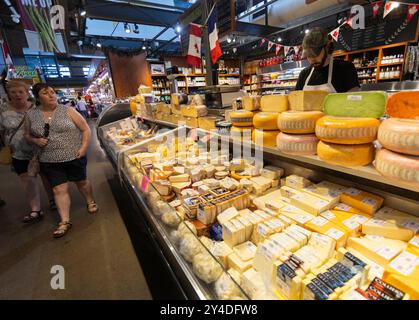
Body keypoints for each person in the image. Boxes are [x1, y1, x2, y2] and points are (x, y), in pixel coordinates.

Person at [25, 83, 98, 238]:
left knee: (81, 182)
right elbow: (26, 135)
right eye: (46, 93)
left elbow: (86, 129)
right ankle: (65, 221)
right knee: (59, 189)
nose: (51, 95)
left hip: (74, 156)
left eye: (52, 92)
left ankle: (90, 200)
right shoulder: (31, 115)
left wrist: (84, 148)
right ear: (37, 97)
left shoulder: (68, 110)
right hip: (49, 159)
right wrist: (35, 141)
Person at [0, 80, 56, 222]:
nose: (18, 95)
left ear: (27, 93)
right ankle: (35, 209)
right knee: (27, 180)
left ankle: (53, 200)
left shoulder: (37, 108)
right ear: (8, 94)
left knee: (47, 177)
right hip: (18, 153)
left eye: (21, 92)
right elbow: (2, 132)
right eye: (13, 92)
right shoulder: (3, 111)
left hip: (40, 149)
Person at [295, 27, 360, 93]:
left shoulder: (345, 68)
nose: (312, 59)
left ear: (327, 47)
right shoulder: (304, 74)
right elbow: (296, 100)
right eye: (308, 55)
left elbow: (353, 100)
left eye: (315, 54)